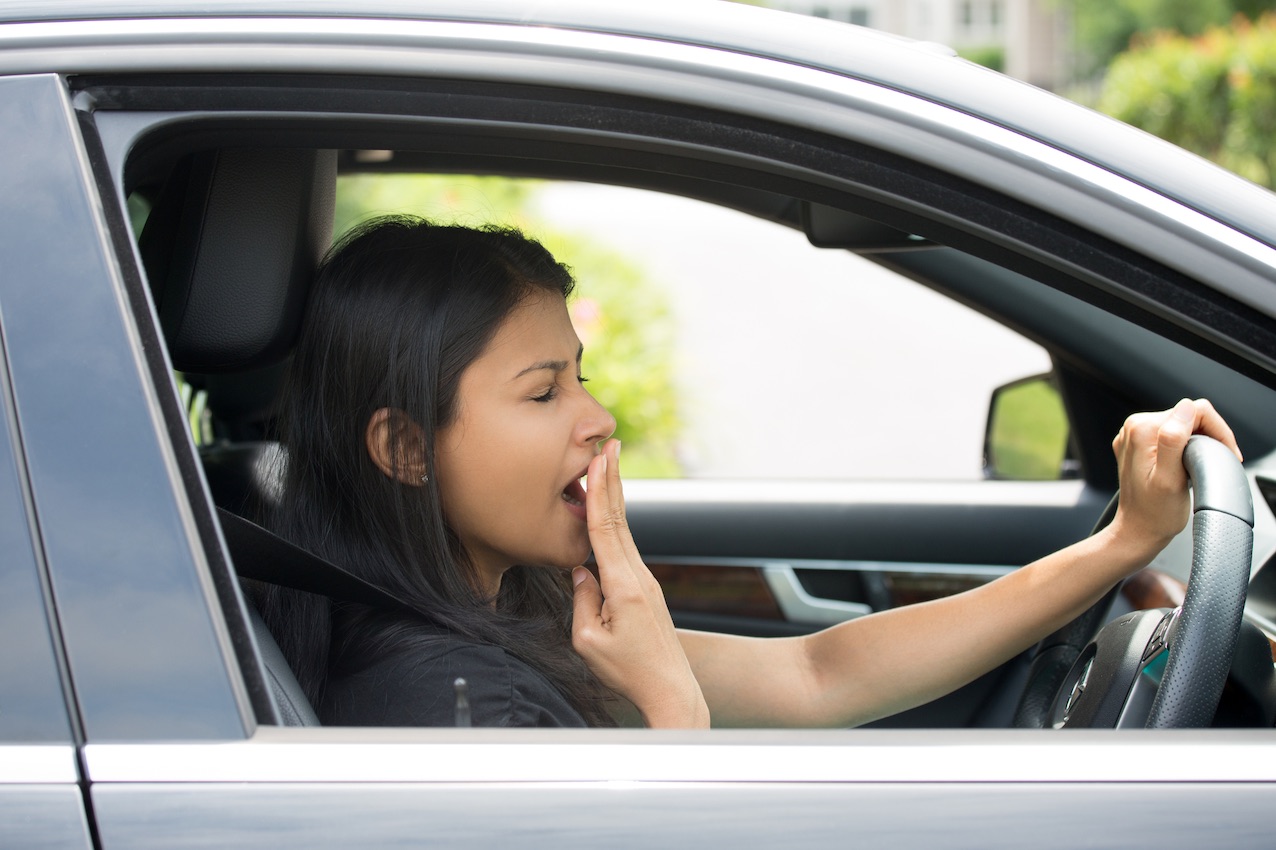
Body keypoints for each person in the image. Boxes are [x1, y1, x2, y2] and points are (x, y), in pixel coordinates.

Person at [256, 215, 1243, 729]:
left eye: (583, 379)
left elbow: (817, 673)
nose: (599, 422)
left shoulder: (499, 609)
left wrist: (1119, 543)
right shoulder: (446, 705)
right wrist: (669, 703)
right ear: (405, 448)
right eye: (542, 392)